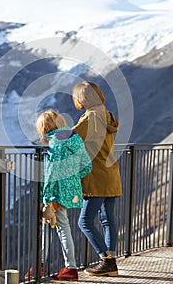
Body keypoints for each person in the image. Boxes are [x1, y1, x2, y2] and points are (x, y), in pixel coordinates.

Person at [72, 81, 122, 277]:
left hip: (97, 175)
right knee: (108, 219)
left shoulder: (91, 116)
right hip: (111, 173)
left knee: (84, 222)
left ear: (82, 99)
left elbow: (72, 136)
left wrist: (50, 135)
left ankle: (107, 260)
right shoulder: (108, 115)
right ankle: (111, 265)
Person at [36, 109, 92, 281]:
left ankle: (70, 268)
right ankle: (42, 265)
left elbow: (52, 173)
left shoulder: (55, 143)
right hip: (73, 190)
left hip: (57, 191)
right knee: (58, 225)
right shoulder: (74, 138)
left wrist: (46, 198)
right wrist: (72, 179)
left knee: (58, 226)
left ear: (44, 128)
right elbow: (87, 166)